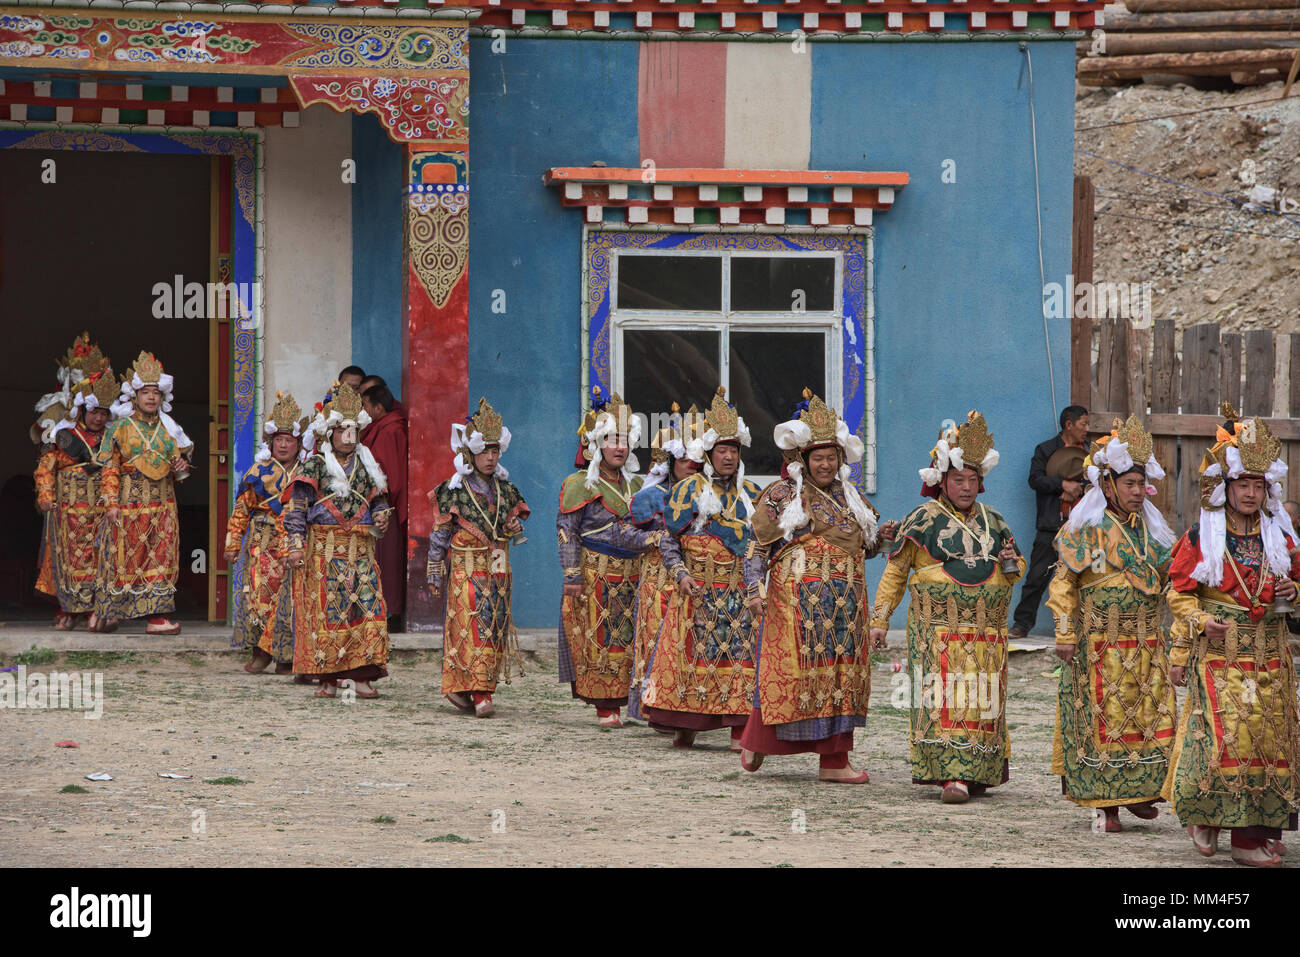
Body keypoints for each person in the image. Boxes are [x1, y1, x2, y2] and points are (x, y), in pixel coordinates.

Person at [1163, 402, 1300, 867]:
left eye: (1258, 485)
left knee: (1271, 742)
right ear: (1225, 487)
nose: (1250, 492)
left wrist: (1294, 588)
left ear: (1268, 489)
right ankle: (1230, 831)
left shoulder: (1280, 538)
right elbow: (1178, 593)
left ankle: (1258, 826)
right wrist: (1200, 621)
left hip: (1272, 655)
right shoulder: (1203, 536)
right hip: (1223, 655)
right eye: (1243, 483)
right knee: (1230, 740)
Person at [740, 390, 898, 782]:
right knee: (792, 678)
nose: (825, 465)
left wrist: (885, 537)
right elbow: (757, 546)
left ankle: (834, 762)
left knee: (842, 679)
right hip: (795, 606)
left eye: (832, 458)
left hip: (846, 608)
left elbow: (868, 548)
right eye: (818, 458)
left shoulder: (852, 499)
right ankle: (760, 741)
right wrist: (752, 589)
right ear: (802, 460)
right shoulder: (783, 496)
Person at [869, 411, 1024, 804]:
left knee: (981, 699)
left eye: (973, 480)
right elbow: (895, 571)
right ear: (941, 480)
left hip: (986, 635)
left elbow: (1014, 573)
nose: (967, 487)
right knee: (946, 699)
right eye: (959, 479)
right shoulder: (921, 519)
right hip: (937, 633)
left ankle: (978, 772)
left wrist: (1010, 561)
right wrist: (880, 620)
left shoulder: (996, 521)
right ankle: (950, 776)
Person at [1046, 415, 1179, 832]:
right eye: (1129, 485)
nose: (1138, 492)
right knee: (1104, 723)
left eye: (1142, 485)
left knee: (1149, 721)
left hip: (1146, 644)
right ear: (1107, 486)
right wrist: (1065, 632)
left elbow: (1175, 582)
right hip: (1099, 645)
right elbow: (1064, 583)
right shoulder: (1086, 528)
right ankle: (1106, 805)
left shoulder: (1153, 532)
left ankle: (1139, 791)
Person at [642, 386, 763, 751]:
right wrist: (680, 574)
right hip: (696, 591)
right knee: (690, 656)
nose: (728, 457)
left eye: (733, 451)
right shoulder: (687, 490)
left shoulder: (753, 494)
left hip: (739, 592)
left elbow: (762, 543)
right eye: (722, 450)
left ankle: (739, 730)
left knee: (739, 658)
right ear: (708, 454)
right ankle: (685, 723)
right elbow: (668, 539)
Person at [556, 388, 660, 728]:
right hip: (595, 575)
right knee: (601, 639)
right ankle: (605, 703)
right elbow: (566, 530)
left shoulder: (639, 485)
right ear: (596, 445)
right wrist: (571, 573)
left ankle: (635, 702)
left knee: (634, 637)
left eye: (625, 441)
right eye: (613, 440)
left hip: (636, 575)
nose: (620, 447)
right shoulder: (578, 484)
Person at [285, 382, 392, 699]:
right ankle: (329, 678)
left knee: (367, 610)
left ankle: (361, 676)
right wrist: (294, 544)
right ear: (328, 433)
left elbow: (379, 502)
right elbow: (297, 510)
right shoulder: (314, 466)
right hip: (324, 556)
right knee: (328, 616)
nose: (348, 436)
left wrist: (382, 516)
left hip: (360, 554)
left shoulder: (369, 466)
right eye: (341, 430)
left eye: (352, 429)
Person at [427, 397, 528, 718]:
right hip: (465, 570)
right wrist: (433, 570)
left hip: (498, 569)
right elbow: (440, 533)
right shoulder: (453, 490)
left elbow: (514, 526)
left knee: (494, 627)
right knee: (472, 629)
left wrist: (514, 526)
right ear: (470, 453)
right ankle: (480, 693)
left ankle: (475, 687)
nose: (490, 457)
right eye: (484, 451)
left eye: (495, 451)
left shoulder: (506, 490)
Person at [93, 352, 194, 635]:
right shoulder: (121, 428)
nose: (151, 398)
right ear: (134, 396)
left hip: (162, 507)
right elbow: (110, 468)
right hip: (128, 504)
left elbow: (180, 472)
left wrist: (181, 465)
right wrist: (111, 502)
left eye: (156, 393)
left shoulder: (169, 430)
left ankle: (157, 618)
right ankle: (108, 613)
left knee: (161, 557)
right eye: (145, 392)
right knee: (122, 559)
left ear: (162, 398)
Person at [224, 392, 309, 675]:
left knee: (292, 600)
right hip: (263, 543)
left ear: (298, 443)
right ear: (270, 442)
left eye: (289, 440)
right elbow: (241, 509)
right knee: (260, 597)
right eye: (279, 440)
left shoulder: (308, 471)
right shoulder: (258, 470)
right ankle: (260, 652)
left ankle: (287, 657)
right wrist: (233, 542)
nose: (283, 445)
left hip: (296, 544)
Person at [626, 403, 701, 722]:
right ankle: (651, 706)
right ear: (671, 463)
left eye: (697, 460)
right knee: (657, 640)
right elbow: (624, 535)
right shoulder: (649, 498)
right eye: (685, 460)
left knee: (689, 642)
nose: (691, 466)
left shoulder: (708, 496)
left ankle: (686, 707)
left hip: (695, 580)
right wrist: (652, 539)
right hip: (658, 580)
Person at [34, 367, 118, 630]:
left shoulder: (112, 438)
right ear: (82, 411)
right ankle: (68, 610)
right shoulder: (64, 436)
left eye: (104, 413)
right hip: (70, 512)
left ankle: (99, 610)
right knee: (70, 561)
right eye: (94, 412)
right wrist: (46, 494)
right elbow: (46, 467)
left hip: (103, 509)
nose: (99, 418)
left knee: (103, 559)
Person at [1010, 405, 1089, 638]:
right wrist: (1062, 485)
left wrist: (1077, 489)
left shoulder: (1089, 453)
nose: (1087, 429)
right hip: (1050, 524)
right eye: (1083, 424)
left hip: (1079, 527)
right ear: (1069, 425)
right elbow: (1035, 479)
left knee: (1084, 577)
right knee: (1037, 576)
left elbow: (1099, 483)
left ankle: (1082, 627)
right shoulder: (1045, 450)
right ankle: (1022, 624)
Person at [361, 382, 408, 625]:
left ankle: (388, 612)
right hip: (370, 505)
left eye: (365, 405)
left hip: (383, 505)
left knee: (386, 561)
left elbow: (391, 473)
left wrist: (380, 502)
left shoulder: (390, 430)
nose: (363, 410)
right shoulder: (380, 427)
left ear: (379, 407)